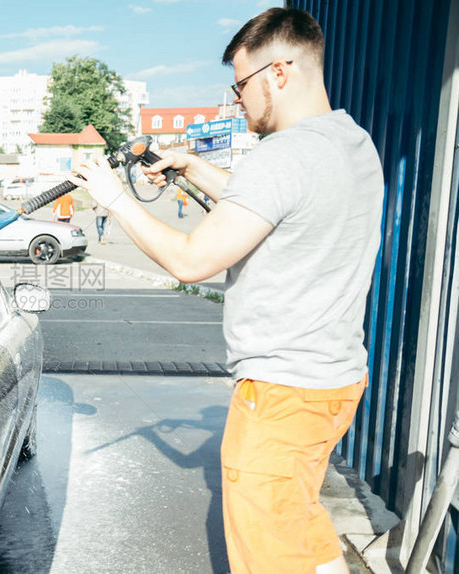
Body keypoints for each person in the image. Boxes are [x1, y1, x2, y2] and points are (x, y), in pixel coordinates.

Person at [66, 8, 383, 574]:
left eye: (240, 85)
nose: (236, 100)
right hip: (334, 381)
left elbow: (192, 261)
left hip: (282, 391)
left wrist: (114, 198)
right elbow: (272, 204)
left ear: (278, 73)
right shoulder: (349, 141)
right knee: (299, 518)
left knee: (270, 554)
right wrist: (190, 165)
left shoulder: (282, 156)